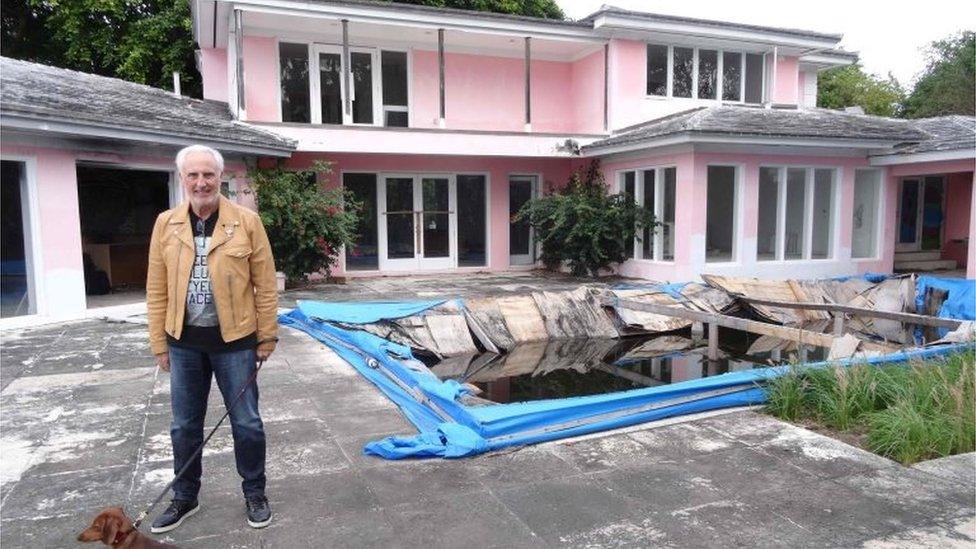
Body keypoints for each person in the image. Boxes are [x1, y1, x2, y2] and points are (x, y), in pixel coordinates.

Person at [146, 145, 278, 533]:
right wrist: (159, 343)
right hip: (183, 343)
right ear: (182, 179)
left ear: (220, 177)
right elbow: (156, 288)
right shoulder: (165, 224)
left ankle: (255, 492)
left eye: (208, 174)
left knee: (247, 424)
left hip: (236, 342)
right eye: (193, 175)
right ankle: (185, 497)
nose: (201, 182)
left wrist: (266, 337)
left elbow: (266, 285)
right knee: (184, 426)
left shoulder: (246, 222)